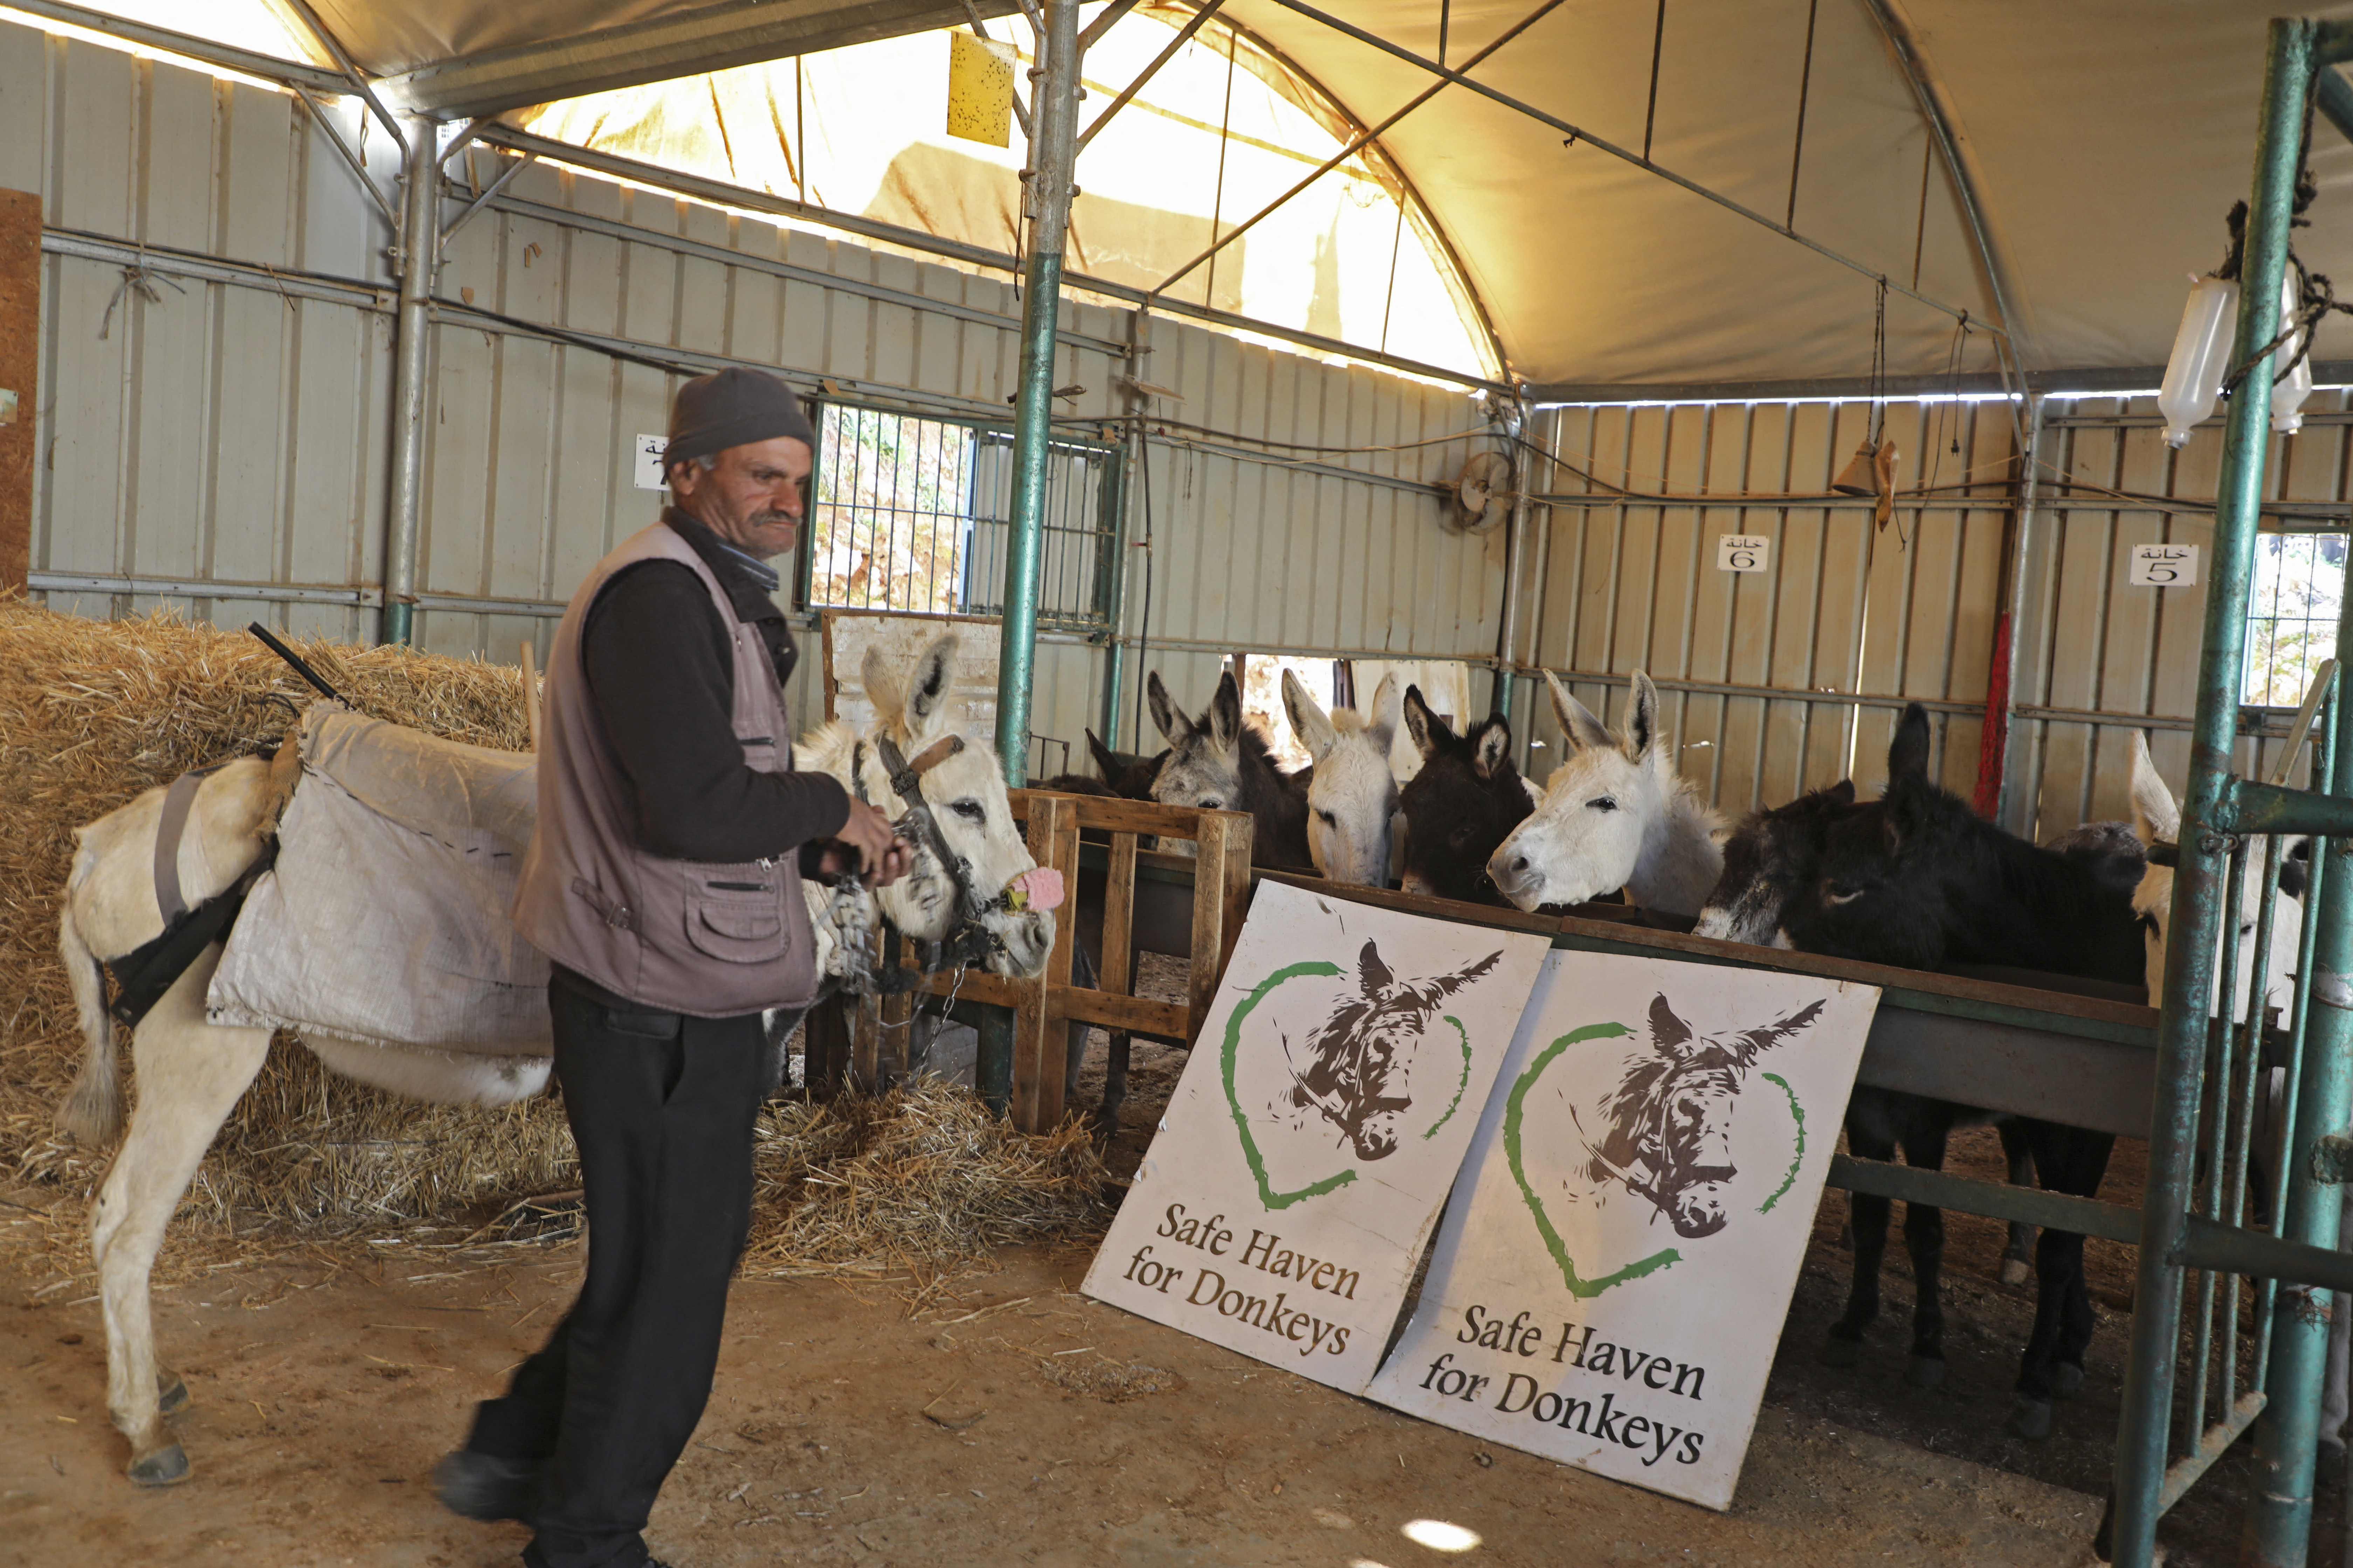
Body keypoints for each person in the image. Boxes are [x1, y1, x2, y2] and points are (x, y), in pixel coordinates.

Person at [433, 367, 910, 1568]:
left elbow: (700, 788)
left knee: (650, 1261)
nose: (784, 500)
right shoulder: (658, 598)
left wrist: (814, 836)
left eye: (798, 481)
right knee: (674, 1284)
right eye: (762, 474)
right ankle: (585, 1539)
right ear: (686, 470)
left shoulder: (706, 593)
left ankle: (512, 1453)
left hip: (665, 982)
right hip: (653, 1006)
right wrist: (829, 802)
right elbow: (693, 809)